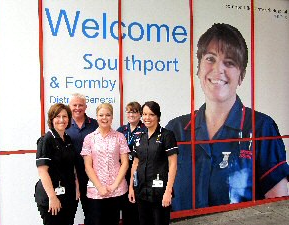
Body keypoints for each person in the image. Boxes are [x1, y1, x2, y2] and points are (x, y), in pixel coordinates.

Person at [166, 23, 289, 211]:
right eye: (210, 59)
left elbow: (278, 208)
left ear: (241, 75)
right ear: (198, 69)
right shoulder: (175, 129)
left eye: (229, 62)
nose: (218, 69)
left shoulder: (261, 127)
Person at [129, 101, 178, 225]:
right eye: (144, 114)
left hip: (160, 193)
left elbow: (173, 164)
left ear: (158, 116)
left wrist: (168, 191)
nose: (147, 118)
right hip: (141, 191)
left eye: (151, 114)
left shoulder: (167, 135)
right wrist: (131, 188)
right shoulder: (139, 136)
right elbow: (135, 163)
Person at [81, 103, 130, 225]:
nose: (104, 118)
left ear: (112, 117)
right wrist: (99, 187)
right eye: (101, 115)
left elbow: (125, 163)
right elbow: (88, 166)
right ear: (97, 117)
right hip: (96, 190)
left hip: (117, 189)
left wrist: (114, 186)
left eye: (108, 115)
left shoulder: (120, 137)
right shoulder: (89, 138)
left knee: (113, 221)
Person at [35, 103, 80, 225]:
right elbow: (42, 171)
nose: (61, 120)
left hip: (68, 196)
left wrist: (76, 188)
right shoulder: (46, 140)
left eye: (65, 116)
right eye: (57, 116)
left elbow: (72, 166)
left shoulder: (67, 139)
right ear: (51, 119)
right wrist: (52, 197)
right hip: (52, 198)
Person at [66, 93, 98, 225]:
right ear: (69, 107)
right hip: (70, 176)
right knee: (68, 212)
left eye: (80, 105)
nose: (77, 108)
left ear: (85, 107)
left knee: (92, 212)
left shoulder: (95, 124)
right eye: (74, 105)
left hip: (91, 175)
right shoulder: (64, 124)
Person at [117, 101, 146, 225]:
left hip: (140, 171)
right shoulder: (121, 130)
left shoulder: (145, 129)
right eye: (129, 111)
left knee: (139, 203)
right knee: (126, 204)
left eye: (134, 112)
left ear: (140, 114)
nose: (131, 114)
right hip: (124, 170)